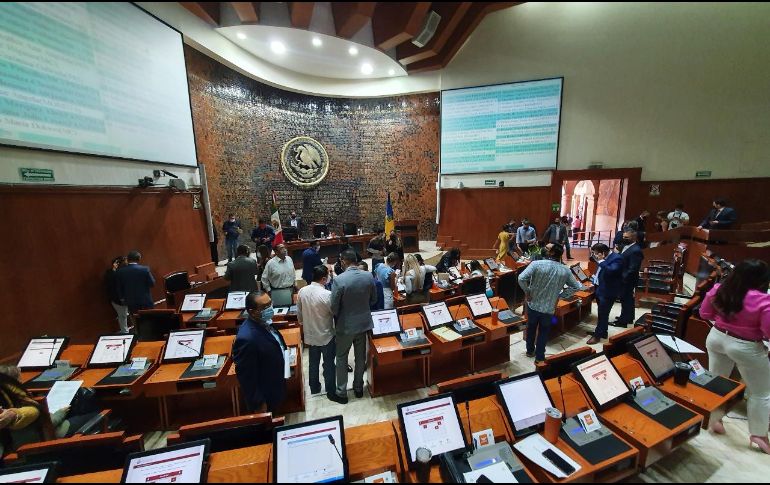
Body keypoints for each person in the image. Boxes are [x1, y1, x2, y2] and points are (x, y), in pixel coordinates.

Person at [699, 259, 770, 453]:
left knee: (716, 381)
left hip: (716, 337)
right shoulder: (764, 300)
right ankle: (759, 434)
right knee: (761, 392)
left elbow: (704, 313)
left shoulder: (720, 289)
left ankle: (715, 419)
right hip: (746, 346)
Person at [518, 244, 585, 363]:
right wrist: (560, 296)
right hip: (549, 307)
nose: (544, 248)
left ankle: (529, 351)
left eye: (548, 248)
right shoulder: (565, 269)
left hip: (533, 304)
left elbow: (521, 278)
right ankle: (540, 357)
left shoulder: (536, 264)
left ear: (552, 253)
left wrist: (528, 292)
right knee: (544, 332)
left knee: (531, 328)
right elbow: (576, 287)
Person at [330, 250, 378, 403]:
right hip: (363, 324)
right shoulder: (368, 276)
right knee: (360, 358)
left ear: (343, 261)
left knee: (342, 357)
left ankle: (341, 392)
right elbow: (374, 299)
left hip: (345, 325)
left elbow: (333, 307)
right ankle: (358, 387)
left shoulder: (339, 280)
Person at [232, 291, 287, 412]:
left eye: (270, 304)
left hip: (275, 387)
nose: (270, 308)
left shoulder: (264, 323)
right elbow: (247, 378)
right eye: (264, 307)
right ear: (252, 312)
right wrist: (259, 404)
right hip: (265, 398)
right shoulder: (246, 339)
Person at [296, 265, 337, 400]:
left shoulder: (302, 291)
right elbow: (334, 313)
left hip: (310, 334)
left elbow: (300, 315)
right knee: (329, 364)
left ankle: (314, 388)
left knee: (313, 363)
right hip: (326, 335)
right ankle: (330, 390)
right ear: (324, 279)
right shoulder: (327, 295)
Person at [587, 243, 623, 344]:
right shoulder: (604, 257)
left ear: (603, 253)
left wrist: (601, 261)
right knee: (602, 313)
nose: (594, 255)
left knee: (603, 314)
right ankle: (603, 332)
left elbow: (612, 270)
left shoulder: (617, 258)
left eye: (595, 253)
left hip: (608, 291)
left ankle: (597, 336)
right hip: (600, 289)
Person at [611, 229, 644, 328]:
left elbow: (633, 268)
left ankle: (623, 321)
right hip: (625, 278)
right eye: (623, 237)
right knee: (628, 299)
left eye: (626, 237)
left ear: (633, 238)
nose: (623, 239)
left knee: (625, 299)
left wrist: (622, 279)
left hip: (628, 280)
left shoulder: (636, 250)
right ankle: (629, 317)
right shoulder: (627, 246)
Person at [116, 250, 155, 315]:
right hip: (145, 300)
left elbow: (119, 287)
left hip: (130, 302)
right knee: (149, 319)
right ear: (139, 259)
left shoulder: (120, 272)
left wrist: (122, 299)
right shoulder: (145, 269)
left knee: (136, 321)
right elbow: (152, 283)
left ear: (128, 259)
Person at [105, 256, 129, 334]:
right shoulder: (111, 274)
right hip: (118, 299)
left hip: (123, 298)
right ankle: (125, 333)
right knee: (123, 316)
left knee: (124, 315)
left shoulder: (121, 272)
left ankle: (125, 331)